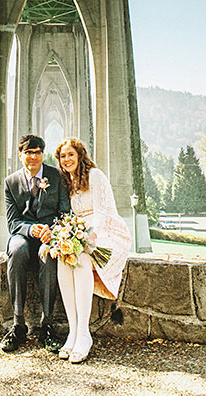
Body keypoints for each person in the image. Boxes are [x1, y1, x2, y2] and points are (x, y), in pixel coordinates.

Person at [55, 137, 131, 363]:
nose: (67, 159)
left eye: (70, 154)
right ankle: (73, 330)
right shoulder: (68, 182)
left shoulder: (94, 176)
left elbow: (101, 213)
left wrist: (88, 236)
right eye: (62, 156)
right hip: (80, 231)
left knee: (80, 257)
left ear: (79, 155)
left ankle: (84, 334)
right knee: (63, 258)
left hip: (107, 230)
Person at [0, 133, 70, 353]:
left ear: (42, 154)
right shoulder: (11, 182)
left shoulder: (56, 177)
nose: (33, 157)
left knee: (48, 254)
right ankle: (18, 325)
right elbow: (13, 223)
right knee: (17, 251)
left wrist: (53, 231)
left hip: (50, 235)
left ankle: (47, 325)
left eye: (37, 153)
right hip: (23, 235)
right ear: (20, 155)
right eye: (28, 153)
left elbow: (64, 211)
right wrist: (31, 229)